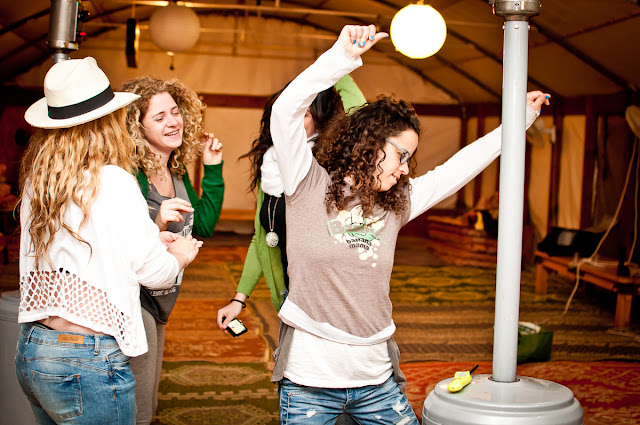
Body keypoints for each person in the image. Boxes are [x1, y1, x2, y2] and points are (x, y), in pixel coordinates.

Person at [268, 24, 551, 423]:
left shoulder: (396, 203)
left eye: (408, 160)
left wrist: (518, 121)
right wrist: (341, 57)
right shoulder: (307, 182)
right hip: (309, 382)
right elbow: (285, 111)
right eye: (401, 155)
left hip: (376, 381)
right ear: (370, 142)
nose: (404, 169)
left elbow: (458, 168)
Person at [15, 57, 202, 425]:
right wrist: (179, 254)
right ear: (107, 122)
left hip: (35, 347)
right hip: (87, 358)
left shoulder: (39, 182)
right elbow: (156, 274)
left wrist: (151, 235)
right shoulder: (114, 180)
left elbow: (82, 250)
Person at [216, 76, 365, 331]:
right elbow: (263, 239)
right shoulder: (270, 168)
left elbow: (361, 120)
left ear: (320, 120)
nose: (292, 120)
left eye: (304, 114)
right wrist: (238, 299)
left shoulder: (327, 165)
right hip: (288, 299)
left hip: (324, 303)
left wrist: (337, 69)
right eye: (287, 112)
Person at [120, 76, 225, 425]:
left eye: (176, 112)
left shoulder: (174, 171)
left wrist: (212, 168)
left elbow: (202, 225)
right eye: (160, 116)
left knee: (148, 399)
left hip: (161, 299)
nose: (173, 121)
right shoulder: (130, 175)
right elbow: (118, 242)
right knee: (138, 408)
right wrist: (157, 220)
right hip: (134, 300)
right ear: (138, 127)